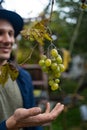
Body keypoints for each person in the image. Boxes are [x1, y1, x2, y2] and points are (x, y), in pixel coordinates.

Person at [0, 2, 64, 130]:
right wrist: (9, 125)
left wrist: (37, 123)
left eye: (11, 34)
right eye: (0, 33)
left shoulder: (23, 77)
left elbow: (32, 124)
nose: (8, 40)